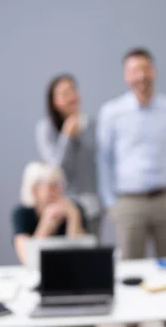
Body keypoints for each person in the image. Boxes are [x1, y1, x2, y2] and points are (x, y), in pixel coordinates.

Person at [97, 47, 166, 259]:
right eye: (135, 70)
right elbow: (104, 159)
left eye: (146, 69)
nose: (141, 76)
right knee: (131, 269)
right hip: (129, 202)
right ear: (126, 75)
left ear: (154, 71)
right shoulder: (111, 112)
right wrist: (110, 202)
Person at [35, 74, 101, 234]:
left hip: (92, 204)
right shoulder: (46, 129)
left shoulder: (92, 125)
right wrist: (66, 136)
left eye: (73, 90)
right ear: (54, 101)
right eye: (65, 93)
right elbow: (55, 168)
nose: (72, 96)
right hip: (60, 205)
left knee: (90, 252)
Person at [11, 162, 87, 265]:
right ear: (35, 189)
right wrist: (46, 224)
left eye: (59, 185)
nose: (57, 190)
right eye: (51, 186)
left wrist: (73, 217)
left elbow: (84, 253)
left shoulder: (74, 209)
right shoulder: (22, 214)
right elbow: (27, 258)